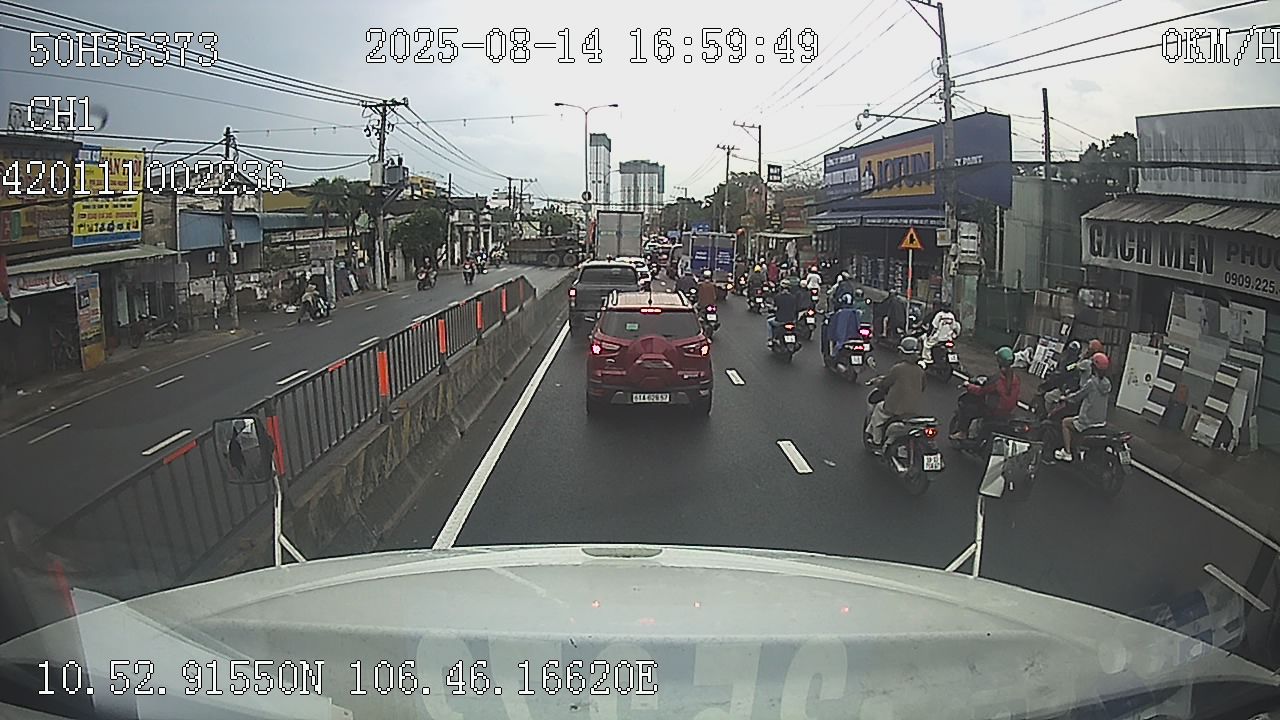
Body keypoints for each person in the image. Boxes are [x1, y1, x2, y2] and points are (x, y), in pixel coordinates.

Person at [950, 346, 1022, 441]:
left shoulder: (997, 379)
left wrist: (969, 386)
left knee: (967, 408)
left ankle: (962, 432)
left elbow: (981, 391)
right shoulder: (1015, 378)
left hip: (994, 409)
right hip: (1007, 410)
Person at [867, 336, 928, 447]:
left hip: (894, 409)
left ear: (902, 352)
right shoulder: (920, 371)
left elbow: (885, 383)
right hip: (913, 411)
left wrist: (877, 382)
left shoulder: (897, 368)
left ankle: (877, 441)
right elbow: (923, 387)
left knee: (878, 411)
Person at [1054, 352, 1113, 462]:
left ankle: (1067, 452)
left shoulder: (1091, 383)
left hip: (1088, 421)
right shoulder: (1107, 384)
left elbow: (1078, 396)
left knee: (1065, 423)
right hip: (1100, 421)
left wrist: (1065, 398)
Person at [767, 278, 800, 343]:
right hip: (791, 320)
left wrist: (771, 309)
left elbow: (774, 307)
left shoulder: (777, 297)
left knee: (769, 322)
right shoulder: (793, 297)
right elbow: (796, 309)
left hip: (780, 320)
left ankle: (770, 339)